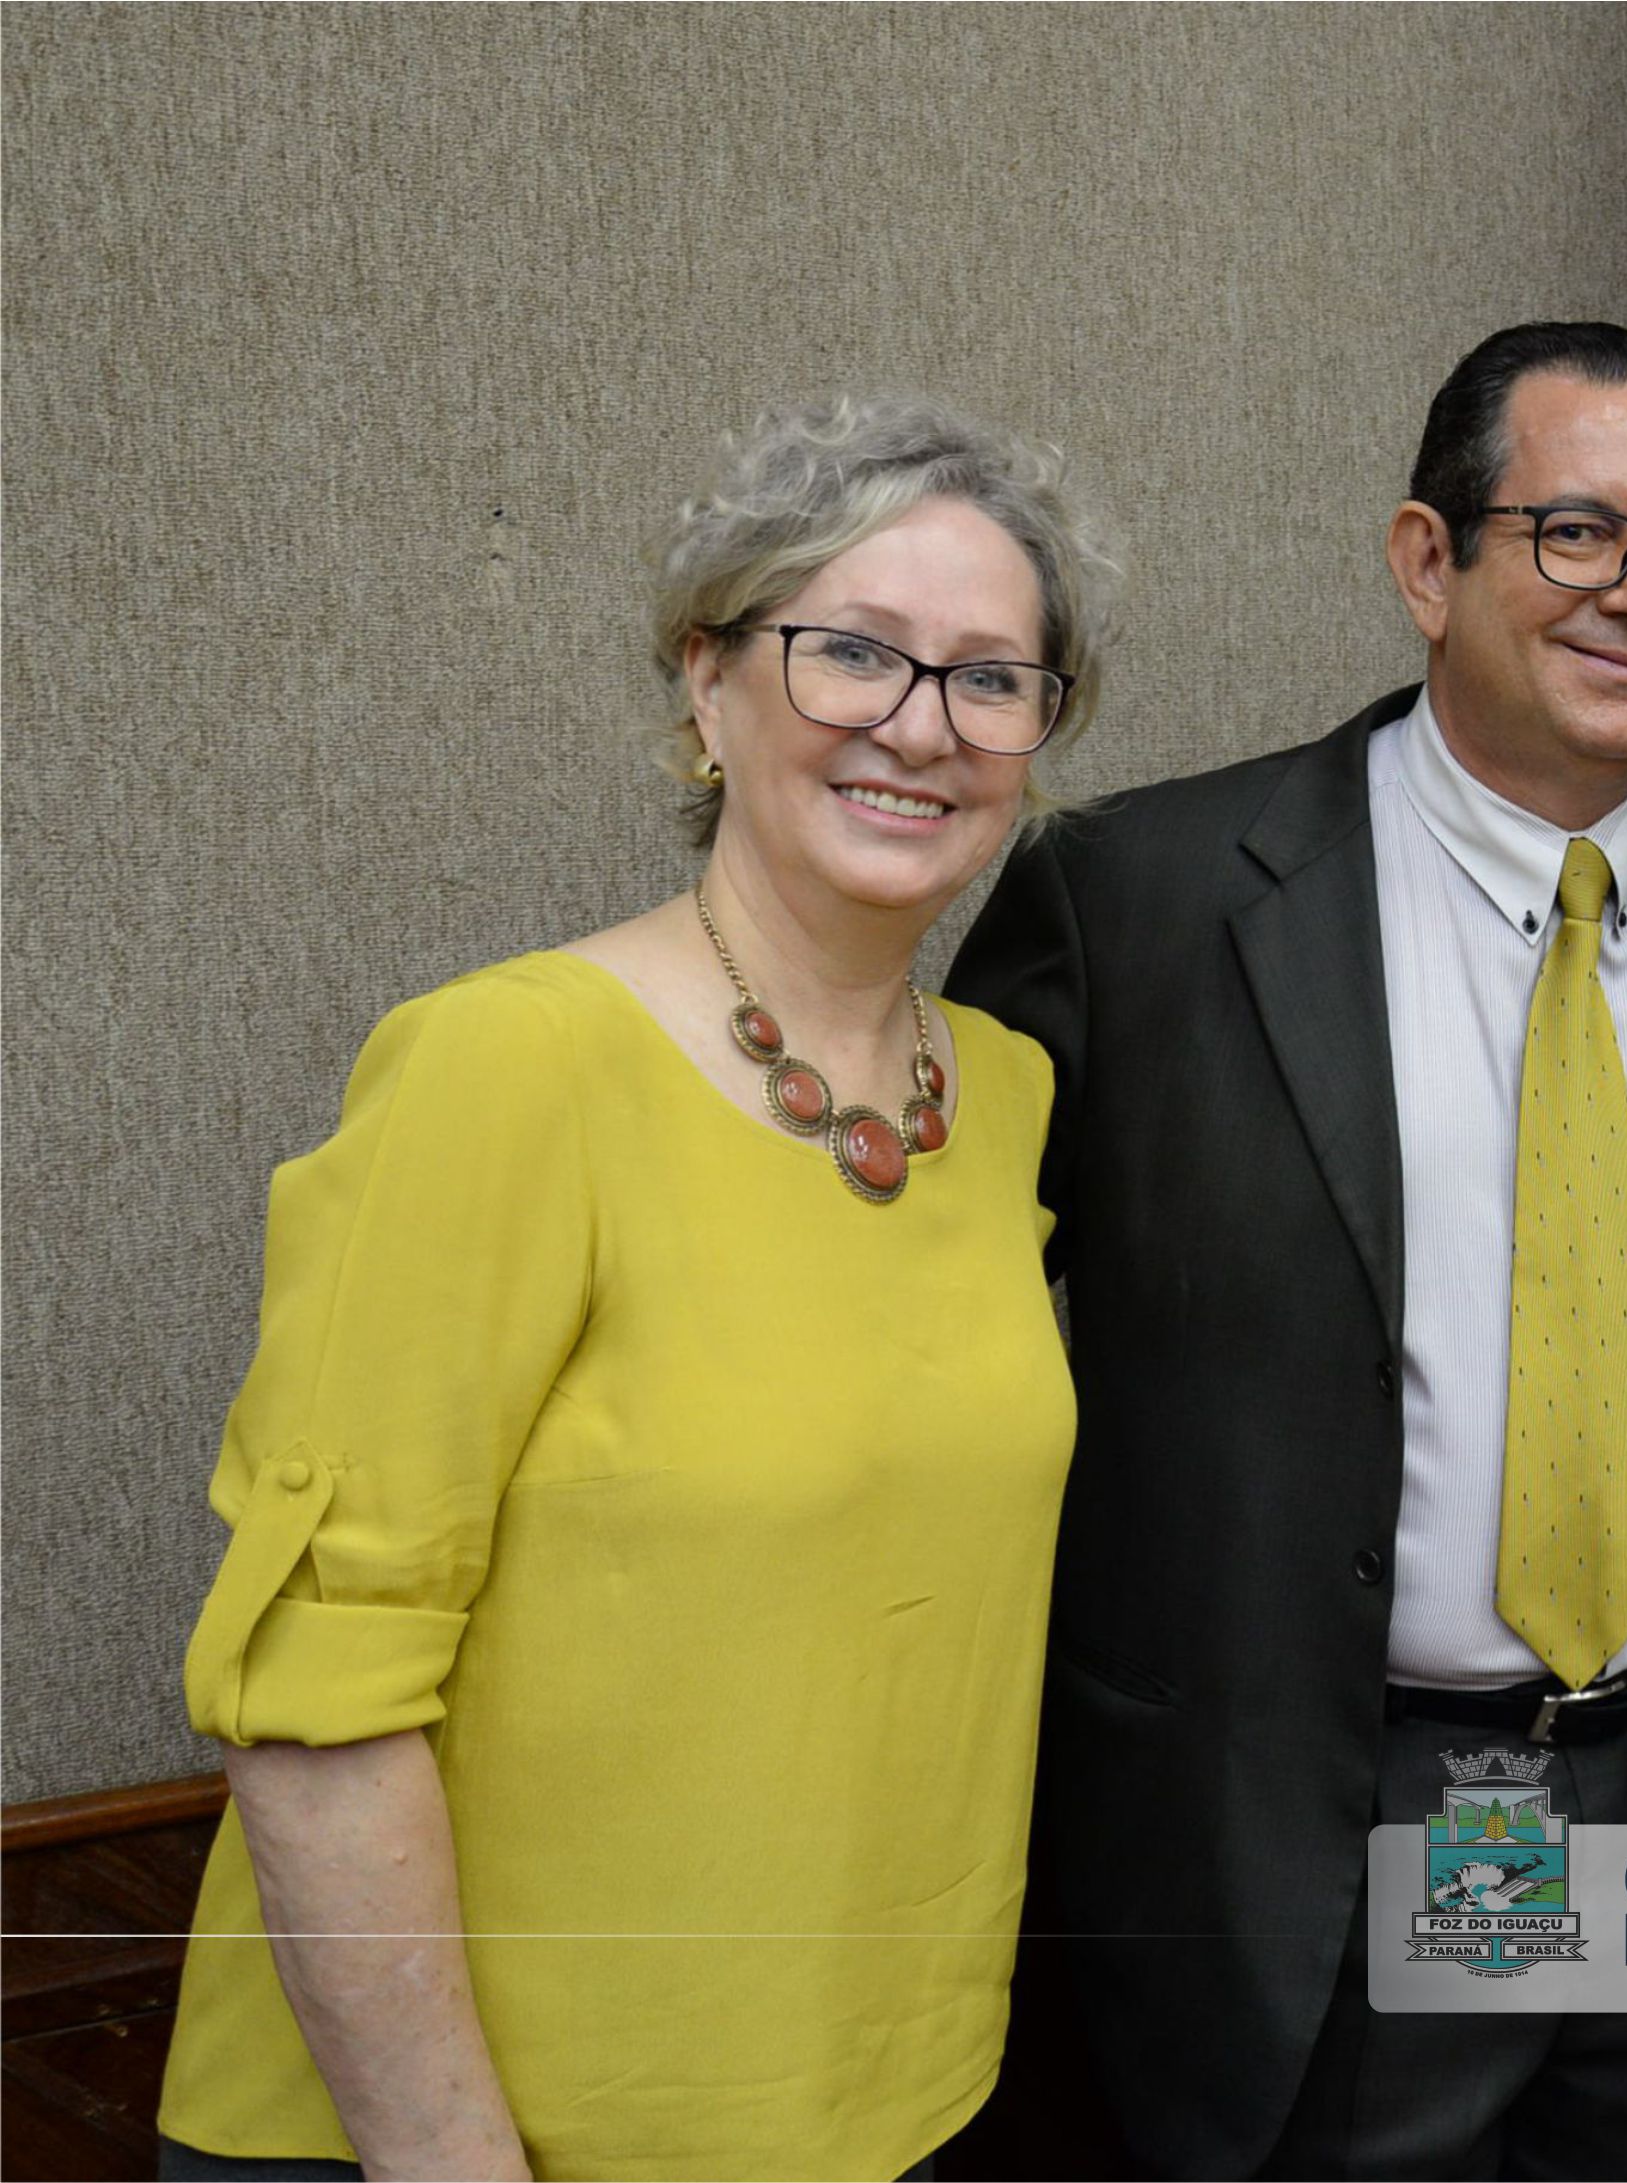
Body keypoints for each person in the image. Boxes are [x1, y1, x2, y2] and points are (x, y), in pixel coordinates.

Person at [153, 393, 1114, 2182]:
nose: (923, 725)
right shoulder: (502, 1070)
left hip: (882, 2108)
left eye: (994, 679)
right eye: (852, 654)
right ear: (706, 684)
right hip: (469, 2137)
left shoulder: (1006, 1097)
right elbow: (314, 1705)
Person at [945, 321, 1627, 2179]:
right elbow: (941, 1350)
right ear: (1429, 560)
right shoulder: (1139, 901)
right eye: (1575, 533)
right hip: (1321, 1803)